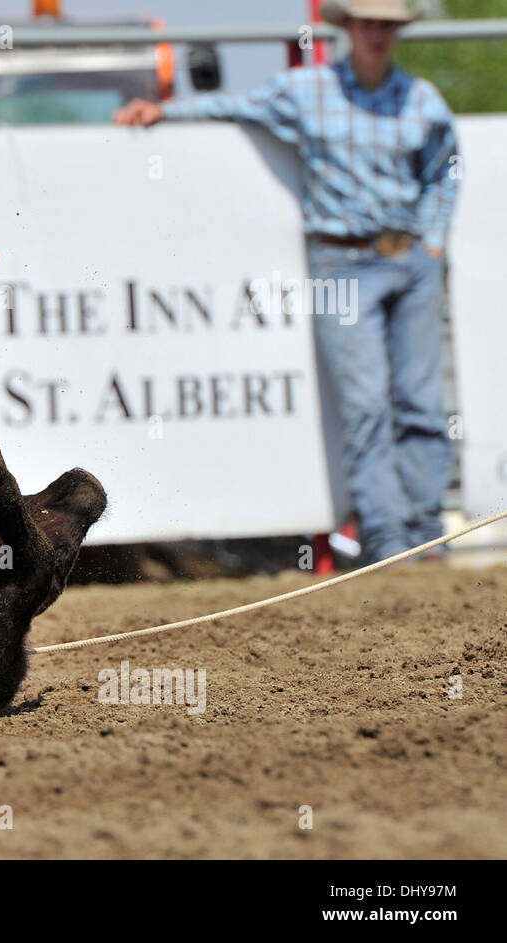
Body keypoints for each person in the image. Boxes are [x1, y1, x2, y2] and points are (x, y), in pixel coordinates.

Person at [114, 0, 459, 565]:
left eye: (387, 25)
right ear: (350, 28)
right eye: (370, 23)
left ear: (397, 31)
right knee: (368, 402)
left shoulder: (420, 98)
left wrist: (435, 238)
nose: (378, 34)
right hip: (342, 262)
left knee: (421, 402)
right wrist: (163, 112)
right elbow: (233, 104)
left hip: (410, 260)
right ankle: (389, 539)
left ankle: (426, 531)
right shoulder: (309, 91)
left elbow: (446, 167)